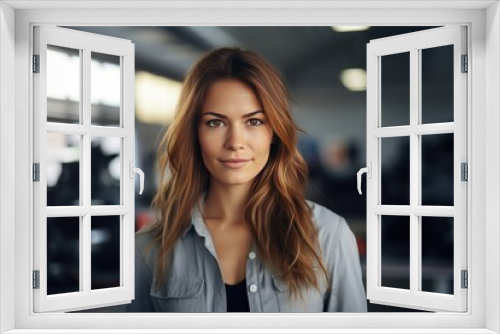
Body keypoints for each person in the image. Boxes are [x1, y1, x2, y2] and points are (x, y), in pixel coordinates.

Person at [127, 47, 367, 312]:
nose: (235, 143)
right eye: (215, 123)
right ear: (193, 133)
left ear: (274, 131)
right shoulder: (149, 248)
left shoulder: (328, 236)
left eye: (253, 122)